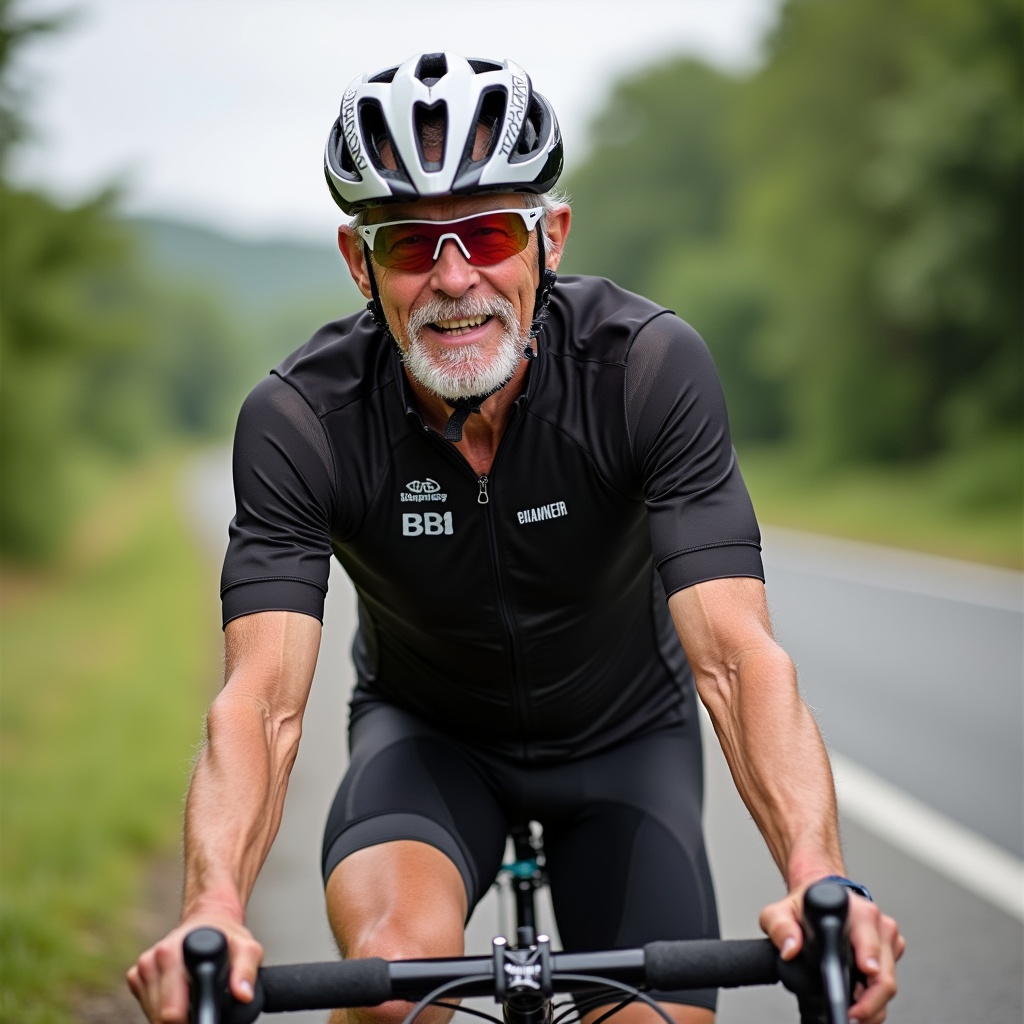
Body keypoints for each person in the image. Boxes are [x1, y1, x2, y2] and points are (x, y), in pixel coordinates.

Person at [128, 52, 903, 1024]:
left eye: (488, 231)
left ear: (550, 237)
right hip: (427, 741)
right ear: (355, 260)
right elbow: (262, 705)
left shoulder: (643, 370)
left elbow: (739, 663)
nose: (455, 279)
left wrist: (817, 878)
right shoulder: (300, 418)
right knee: (391, 986)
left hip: (625, 739)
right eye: (411, 245)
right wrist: (213, 912)